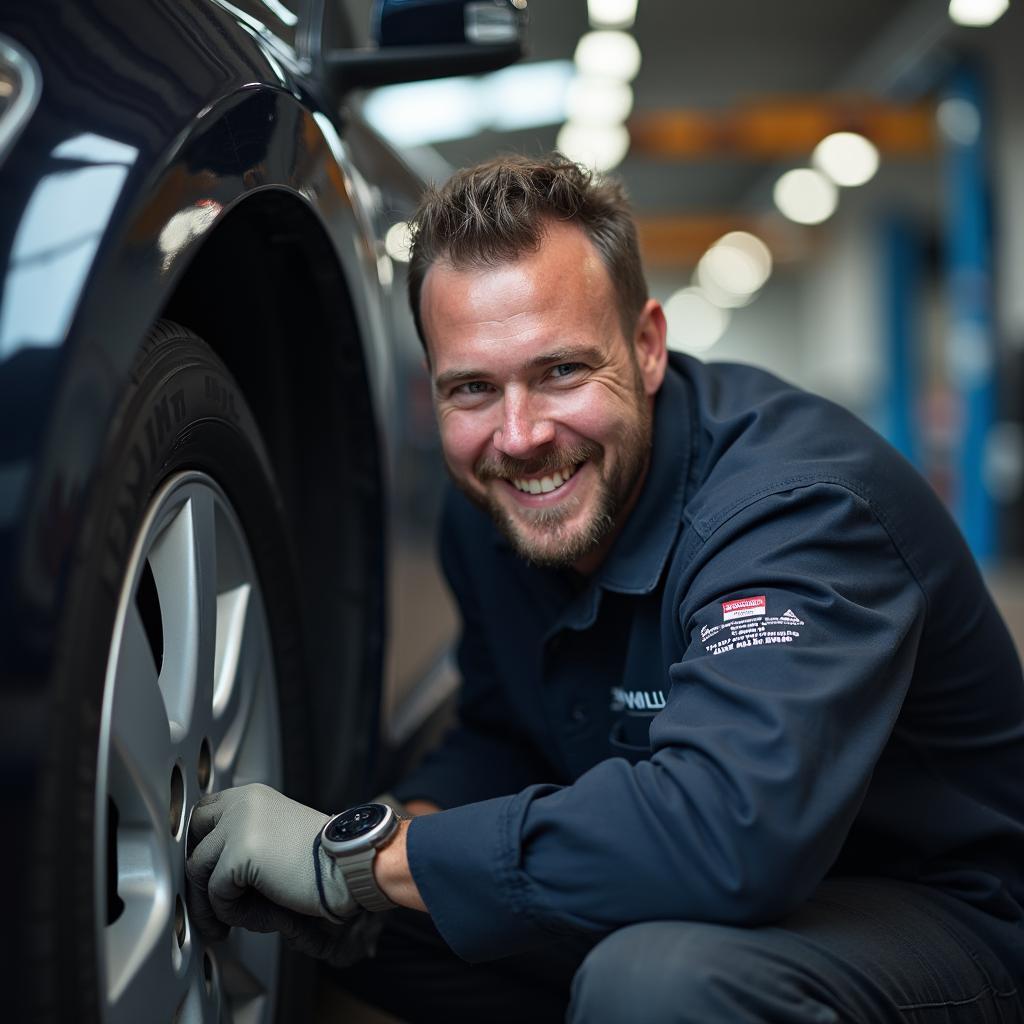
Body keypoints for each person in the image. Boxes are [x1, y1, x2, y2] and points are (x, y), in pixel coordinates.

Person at [187, 154, 1024, 1022]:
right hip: (704, 892)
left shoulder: (795, 513)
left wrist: (365, 860)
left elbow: (732, 835)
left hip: (938, 917)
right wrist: (392, 834)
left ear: (648, 346)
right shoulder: (491, 510)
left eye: (560, 372)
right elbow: (503, 736)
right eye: (472, 388)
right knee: (358, 925)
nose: (518, 437)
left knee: (656, 983)